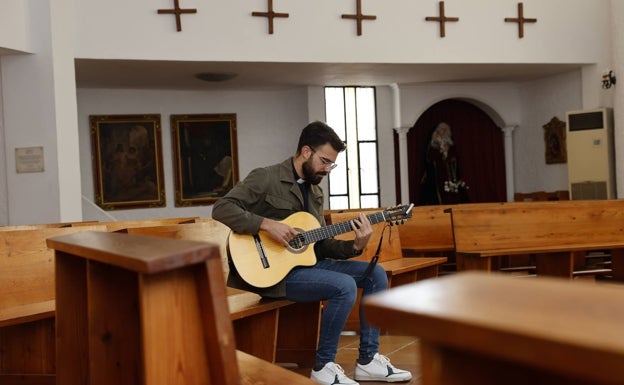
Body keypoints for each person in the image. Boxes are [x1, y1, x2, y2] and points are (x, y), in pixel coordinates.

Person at [212, 121, 412, 385]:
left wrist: (356, 245)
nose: (328, 169)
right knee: (344, 286)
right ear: (306, 151)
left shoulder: (315, 191)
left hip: (306, 268)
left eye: (332, 164)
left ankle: (368, 360)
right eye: (325, 161)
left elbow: (320, 243)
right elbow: (222, 208)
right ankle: (323, 367)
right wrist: (267, 224)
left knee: (375, 273)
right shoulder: (266, 177)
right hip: (270, 275)